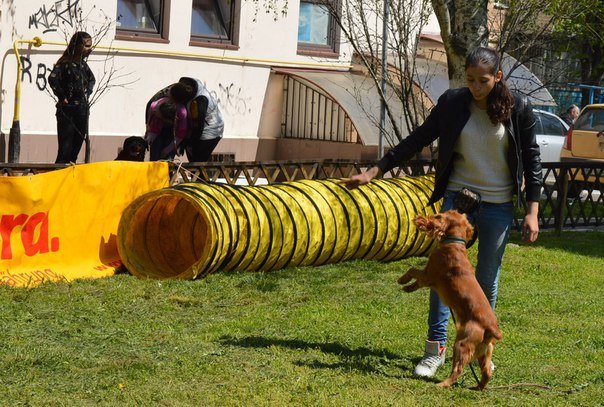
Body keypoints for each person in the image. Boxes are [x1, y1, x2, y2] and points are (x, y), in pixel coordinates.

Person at [342, 46, 542, 378]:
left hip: (498, 204)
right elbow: (417, 138)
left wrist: (532, 211)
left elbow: (532, 160)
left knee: (484, 280)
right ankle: (434, 350)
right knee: (443, 275)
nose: (476, 88)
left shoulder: (517, 109)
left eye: (483, 81)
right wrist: (376, 170)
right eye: (470, 80)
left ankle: (480, 348)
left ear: (498, 77)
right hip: (457, 202)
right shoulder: (452, 103)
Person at [146, 77, 224, 163]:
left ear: (182, 101)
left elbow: (198, 128)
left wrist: (187, 143)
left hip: (209, 132)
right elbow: (151, 102)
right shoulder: (180, 87)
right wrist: (149, 129)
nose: (169, 99)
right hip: (191, 127)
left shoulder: (199, 102)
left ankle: (200, 176)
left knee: (197, 162)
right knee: (193, 163)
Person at [48, 31, 95, 164]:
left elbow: (92, 79)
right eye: (86, 46)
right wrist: (62, 97)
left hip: (82, 110)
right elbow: (52, 78)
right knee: (65, 150)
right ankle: (58, 177)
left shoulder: (83, 65)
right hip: (67, 111)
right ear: (77, 45)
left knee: (76, 148)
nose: (89, 49)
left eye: (90, 46)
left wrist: (87, 93)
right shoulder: (64, 63)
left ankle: (69, 177)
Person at [144, 82, 191, 160]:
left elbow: (180, 135)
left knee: (167, 161)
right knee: (154, 158)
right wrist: (149, 135)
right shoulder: (154, 106)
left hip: (173, 136)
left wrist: (167, 151)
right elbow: (150, 122)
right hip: (158, 133)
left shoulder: (182, 112)